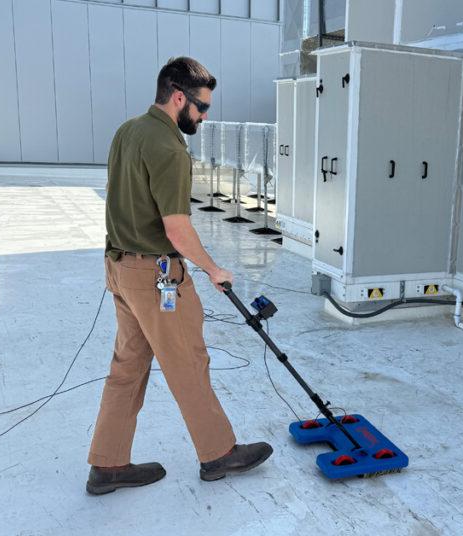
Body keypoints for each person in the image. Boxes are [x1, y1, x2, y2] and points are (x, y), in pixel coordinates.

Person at [85, 57, 272, 495]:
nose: (205, 117)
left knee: (127, 367)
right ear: (178, 97)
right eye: (201, 108)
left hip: (119, 268)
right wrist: (212, 268)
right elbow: (177, 228)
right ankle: (218, 453)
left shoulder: (128, 131)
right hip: (157, 276)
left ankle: (107, 465)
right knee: (187, 360)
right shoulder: (170, 149)